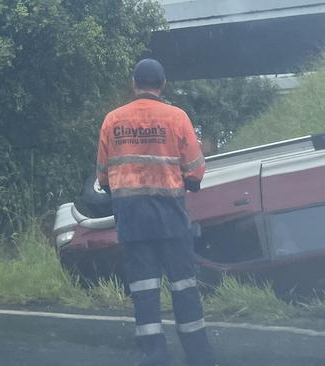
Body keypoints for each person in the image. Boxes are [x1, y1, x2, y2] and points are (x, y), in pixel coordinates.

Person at [96, 58, 215, 366]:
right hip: (170, 217)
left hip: (132, 218)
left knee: (144, 288)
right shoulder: (177, 118)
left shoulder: (112, 120)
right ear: (162, 85)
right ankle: (198, 355)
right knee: (184, 285)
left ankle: (154, 354)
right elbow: (196, 172)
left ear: (134, 84)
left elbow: (103, 178)